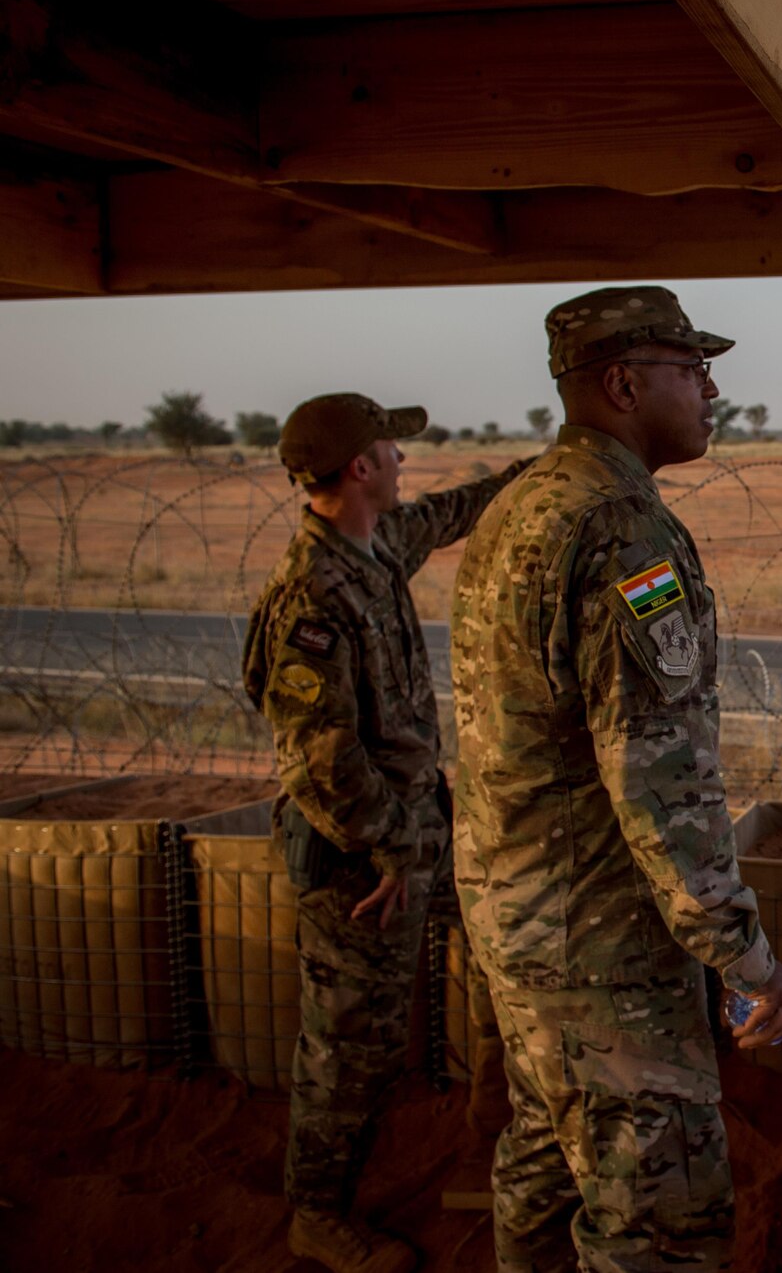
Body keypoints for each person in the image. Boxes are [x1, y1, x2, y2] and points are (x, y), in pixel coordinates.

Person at [451, 286, 782, 1272]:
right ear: (621, 384)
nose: (710, 389)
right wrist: (741, 955)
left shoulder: (522, 503)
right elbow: (658, 777)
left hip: (521, 918)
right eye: (691, 370)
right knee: (662, 1218)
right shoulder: (619, 531)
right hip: (601, 947)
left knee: (549, 1161)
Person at [243, 393, 530, 1273]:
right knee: (350, 1050)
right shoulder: (312, 596)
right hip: (363, 862)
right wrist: (394, 847)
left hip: (415, 833)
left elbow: (449, 511)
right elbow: (319, 758)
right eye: (392, 448)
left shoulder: (373, 547)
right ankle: (317, 1214)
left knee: (500, 944)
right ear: (359, 468)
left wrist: (539, 474)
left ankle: (501, 1132)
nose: (407, 459)